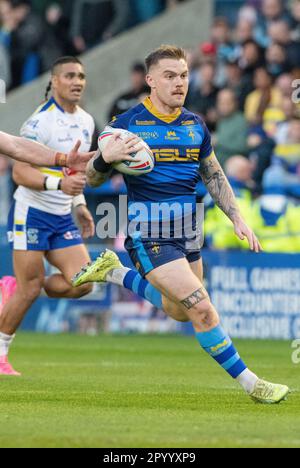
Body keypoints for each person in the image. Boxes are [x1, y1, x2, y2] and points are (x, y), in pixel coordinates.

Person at [73, 45, 289, 404]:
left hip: (188, 231)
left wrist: (237, 217)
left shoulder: (195, 125)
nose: (179, 82)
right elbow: (92, 178)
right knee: (202, 308)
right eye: (170, 76)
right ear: (151, 80)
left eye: (184, 75)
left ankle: (116, 273)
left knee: (179, 311)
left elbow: (213, 173)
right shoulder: (126, 126)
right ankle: (253, 384)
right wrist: (103, 160)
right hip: (150, 234)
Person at [0, 56, 95, 376]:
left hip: (61, 216)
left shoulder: (86, 121)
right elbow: (20, 172)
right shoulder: (39, 123)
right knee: (29, 288)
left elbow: (74, 169)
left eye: (81, 76)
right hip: (32, 213)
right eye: (69, 75)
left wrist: (79, 203)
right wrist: (59, 183)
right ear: (54, 81)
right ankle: (0, 354)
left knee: (84, 282)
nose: (77, 81)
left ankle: (17, 289)